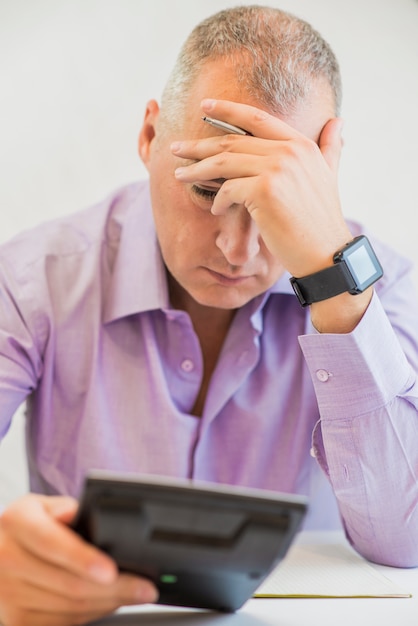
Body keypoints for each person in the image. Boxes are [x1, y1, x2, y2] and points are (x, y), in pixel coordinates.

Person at [0, 4, 418, 625]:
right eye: (205, 189)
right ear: (148, 138)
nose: (237, 250)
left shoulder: (380, 289)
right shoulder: (36, 279)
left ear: (322, 180)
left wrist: (334, 280)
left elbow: (405, 541)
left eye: (276, 200)